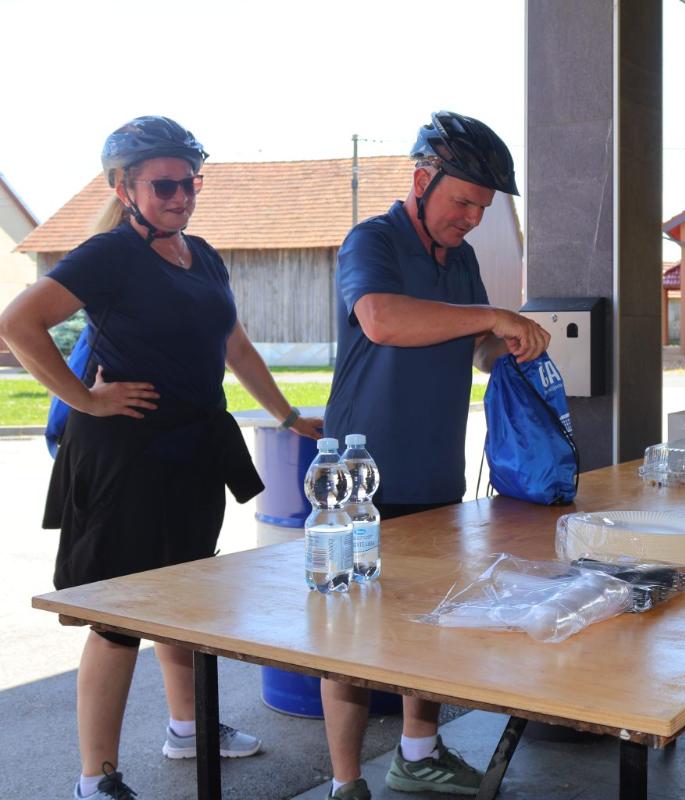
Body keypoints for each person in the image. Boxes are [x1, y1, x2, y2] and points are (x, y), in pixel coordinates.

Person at [0, 116, 321, 800]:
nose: (181, 197)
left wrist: (288, 415)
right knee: (118, 620)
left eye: (190, 183)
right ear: (124, 187)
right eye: (165, 185)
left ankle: (188, 728)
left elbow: (235, 346)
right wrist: (85, 400)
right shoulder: (110, 254)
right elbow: (18, 323)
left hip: (193, 454)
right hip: (127, 459)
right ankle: (96, 778)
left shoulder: (201, 255)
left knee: (184, 600)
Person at [319, 111, 549, 799]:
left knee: (432, 617)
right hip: (362, 475)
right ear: (423, 180)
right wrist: (491, 317)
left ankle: (417, 754)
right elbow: (381, 319)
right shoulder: (373, 239)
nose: (472, 219)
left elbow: (473, 348)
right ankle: (345, 781)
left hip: (436, 469)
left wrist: (507, 342)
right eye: (463, 202)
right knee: (349, 632)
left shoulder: (462, 259)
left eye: (483, 208)